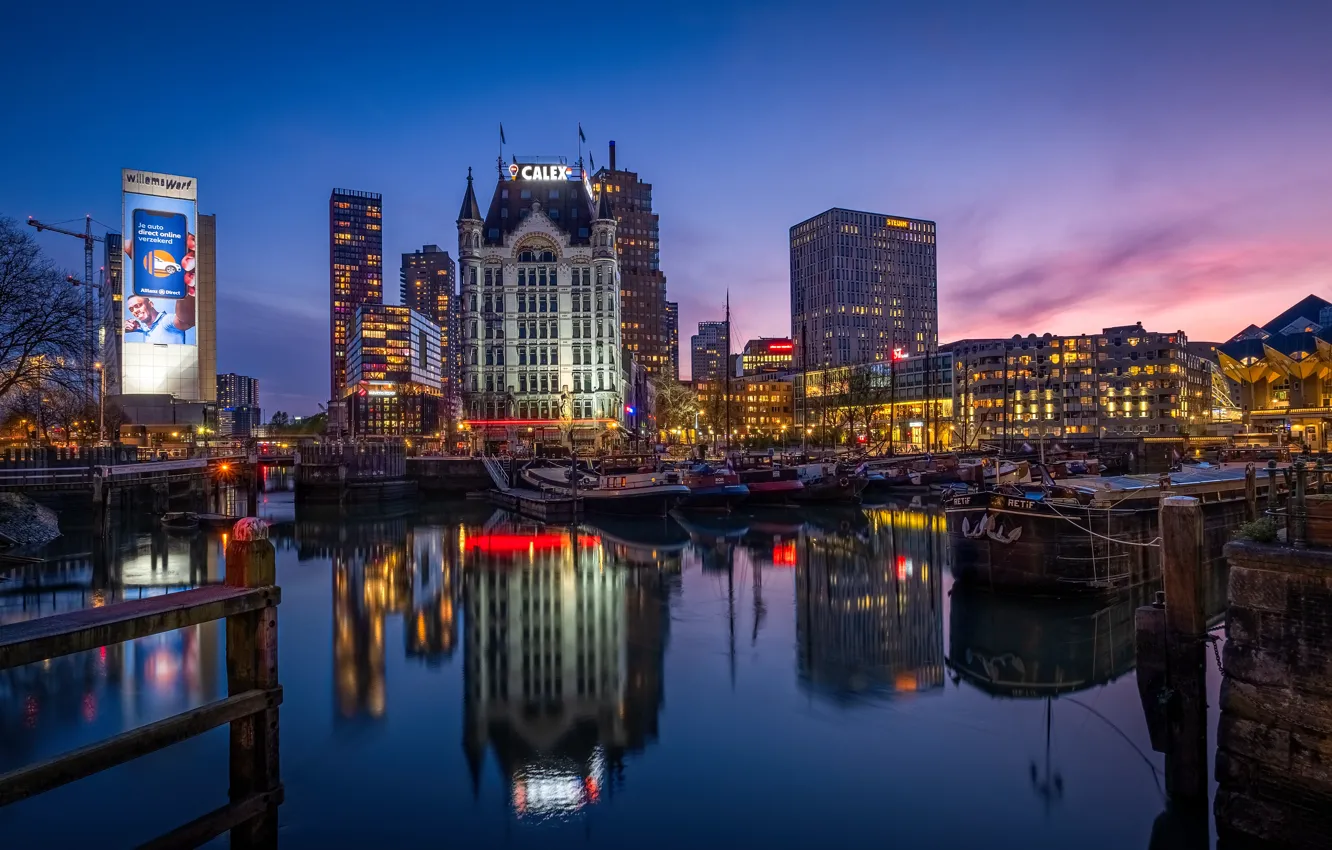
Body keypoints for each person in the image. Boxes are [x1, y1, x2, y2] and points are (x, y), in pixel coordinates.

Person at [124, 295, 196, 344]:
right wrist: (124, 327)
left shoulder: (166, 321)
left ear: (151, 304)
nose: (135, 311)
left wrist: (182, 293)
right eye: (131, 309)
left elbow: (186, 320)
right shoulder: (146, 329)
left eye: (138, 305)